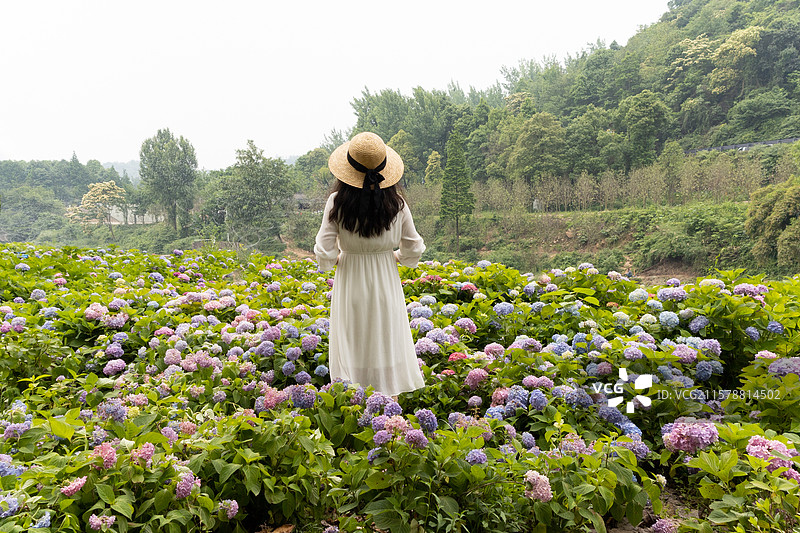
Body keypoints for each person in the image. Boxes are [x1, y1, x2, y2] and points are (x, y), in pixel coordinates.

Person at [314, 132, 426, 397]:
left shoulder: (337, 202)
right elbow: (413, 248)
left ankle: (356, 409)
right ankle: (390, 412)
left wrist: (338, 258)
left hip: (350, 280)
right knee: (386, 345)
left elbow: (325, 251)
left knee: (354, 347)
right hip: (386, 282)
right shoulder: (397, 203)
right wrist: (394, 257)